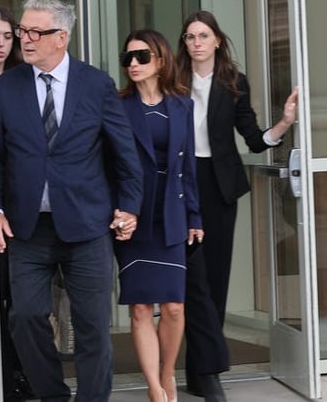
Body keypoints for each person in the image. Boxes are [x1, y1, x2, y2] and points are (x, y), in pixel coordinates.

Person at [0, 0, 143, 402]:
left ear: (61, 37)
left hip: (87, 226)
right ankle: (53, 395)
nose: (26, 39)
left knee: (92, 327)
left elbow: (124, 153)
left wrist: (130, 206)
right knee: (26, 317)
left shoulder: (96, 84)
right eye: (23, 31)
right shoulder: (9, 86)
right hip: (28, 228)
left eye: (36, 32)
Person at [176, 10, 298, 401]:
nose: (196, 42)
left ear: (216, 41)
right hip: (179, 184)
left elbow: (254, 138)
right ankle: (205, 369)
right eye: (190, 37)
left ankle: (202, 370)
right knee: (188, 281)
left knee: (213, 281)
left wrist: (284, 123)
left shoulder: (232, 83)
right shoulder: (172, 81)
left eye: (202, 36)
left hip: (217, 187)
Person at [115, 29, 204, 402]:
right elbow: (108, 163)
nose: (133, 64)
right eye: (128, 58)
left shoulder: (182, 106)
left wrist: (194, 216)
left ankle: (168, 372)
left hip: (170, 211)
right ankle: (154, 386)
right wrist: (118, 211)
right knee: (140, 306)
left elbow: (189, 168)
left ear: (161, 61)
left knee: (173, 305)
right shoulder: (118, 107)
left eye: (142, 57)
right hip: (133, 213)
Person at [0, 5, 34, 402]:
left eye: (7, 36)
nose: (0, 44)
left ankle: (23, 372)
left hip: (20, 206)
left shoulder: (24, 82)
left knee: (19, 299)